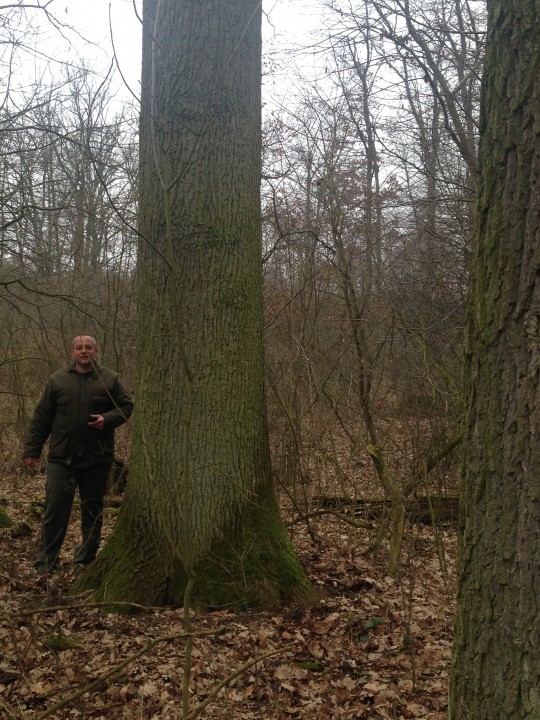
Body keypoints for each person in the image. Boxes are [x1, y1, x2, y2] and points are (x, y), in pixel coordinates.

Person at [23, 335, 134, 575]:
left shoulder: (110, 379)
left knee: (92, 510)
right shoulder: (58, 380)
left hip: (97, 457)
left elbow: (126, 406)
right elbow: (42, 417)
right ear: (72, 352)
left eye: (88, 347)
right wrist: (32, 450)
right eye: (79, 348)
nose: (84, 351)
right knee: (55, 509)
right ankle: (46, 562)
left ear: (96, 351)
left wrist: (107, 419)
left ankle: (86, 559)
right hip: (61, 458)